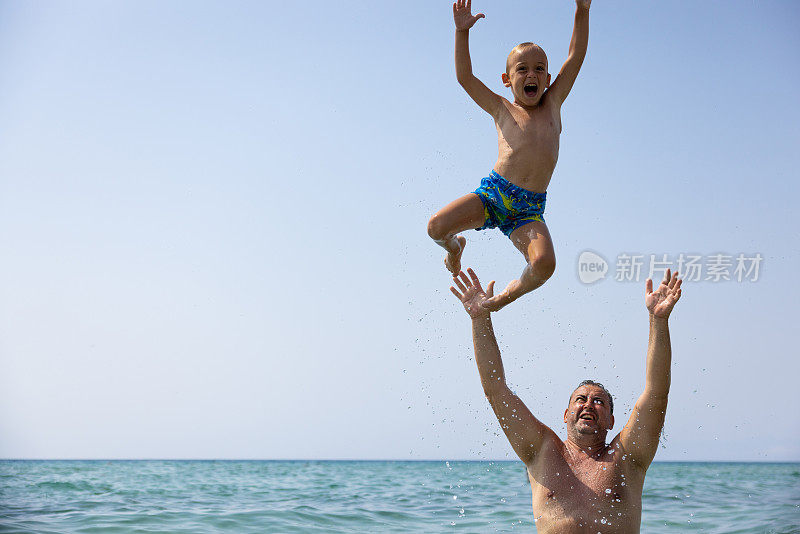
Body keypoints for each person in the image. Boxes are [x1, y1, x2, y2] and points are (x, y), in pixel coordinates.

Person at [449, 267, 683, 532]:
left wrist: (658, 321)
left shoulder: (627, 457)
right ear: (565, 415)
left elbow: (656, 394)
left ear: (611, 421)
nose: (588, 404)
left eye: (599, 402)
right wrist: (480, 319)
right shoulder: (542, 450)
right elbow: (496, 389)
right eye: (580, 399)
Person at [427, 0, 591, 311]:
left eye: (540, 69)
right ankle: (454, 249)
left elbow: (576, 56)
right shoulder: (502, 108)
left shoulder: (553, 104)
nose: (532, 74)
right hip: (493, 195)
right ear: (507, 79)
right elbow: (465, 78)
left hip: (527, 211)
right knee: (436, 226)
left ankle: (502, 299)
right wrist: (462, 33)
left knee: (544, 264)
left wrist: (582, 10)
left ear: (548, 78)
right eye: (523, 69)